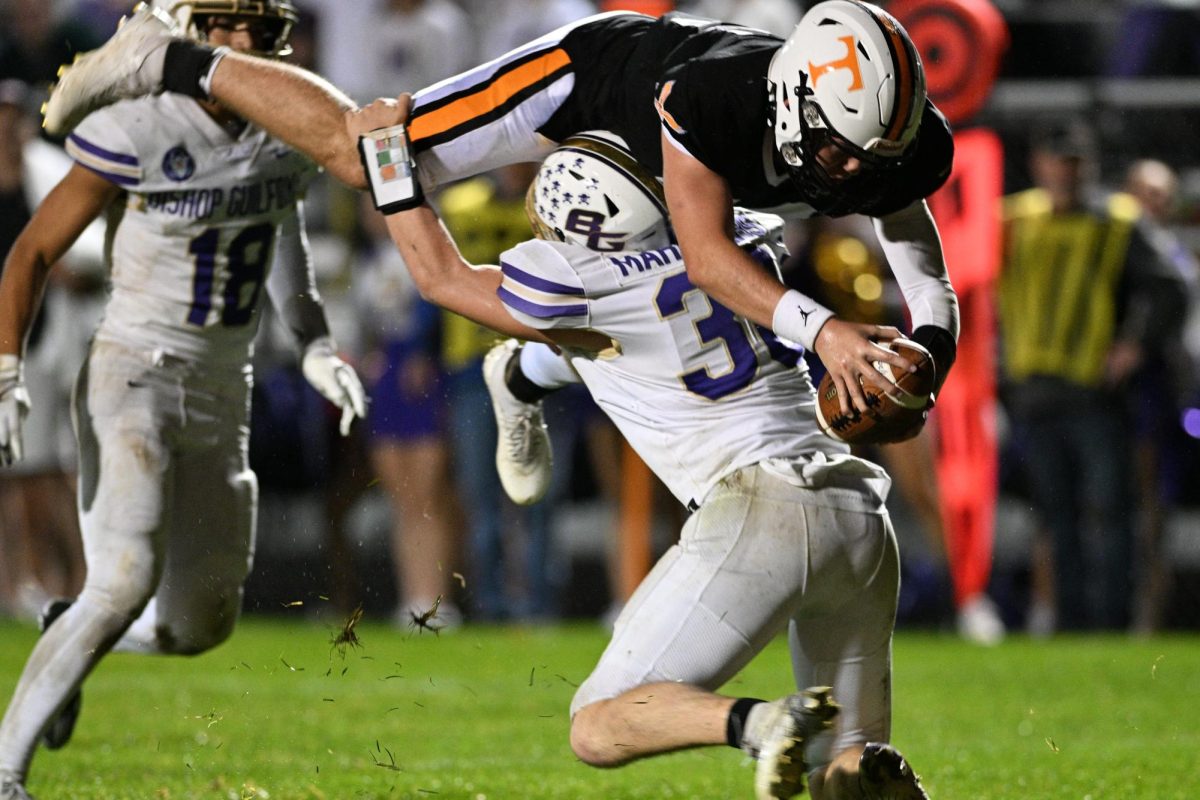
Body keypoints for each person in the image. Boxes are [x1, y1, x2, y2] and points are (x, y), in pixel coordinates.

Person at [355, 115, 941, 796]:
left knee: (596, 724)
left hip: (761, 509)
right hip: (858, 511)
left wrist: (388, 161)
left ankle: (758, 725)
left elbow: (441, 277)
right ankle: (515, 377)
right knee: (849, 769)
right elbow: (619, 338)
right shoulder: (738, 232)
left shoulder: (575, 277)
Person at [40, 0, 960, 427]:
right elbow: (713, 254)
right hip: (589, 85)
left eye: (873, 153)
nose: (853, 170)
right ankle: (171, 60)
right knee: (372, 160)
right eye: (840, 146)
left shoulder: (884, 141)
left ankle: (524, 377)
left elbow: (916, 247)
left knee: (644, 321)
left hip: (665, 182)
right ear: (795, 101)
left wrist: (934, 346)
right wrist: (829, 333)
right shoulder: (715, 97)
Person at [0, 3, 366, 798]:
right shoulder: (141, 123)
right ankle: (5, 772)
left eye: (256, 29)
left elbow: (282, 241)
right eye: (224, 26)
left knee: (197, 627)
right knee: (124, 579)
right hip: (133, 371)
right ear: (188, 33)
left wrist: (313, 345)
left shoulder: (287, 122)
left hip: (222, 386)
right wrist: (6, 370)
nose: (241, 44)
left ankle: (72, 632)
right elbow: (32, 248)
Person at [998, 119, 1184, 633]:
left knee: (1109, 514)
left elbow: (1173, 286)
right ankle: (1069, 623)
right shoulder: (1014, 220)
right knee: (1053, 519)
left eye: (1074, 161)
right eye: (1058, 159)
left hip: (1093, 392)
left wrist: (1133, 347)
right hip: (1033, 391)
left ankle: (1112, 622)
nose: (1065, 170)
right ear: (1040, 164)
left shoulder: (1116, 220)